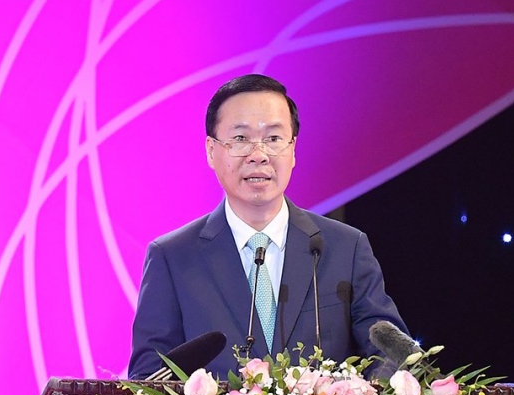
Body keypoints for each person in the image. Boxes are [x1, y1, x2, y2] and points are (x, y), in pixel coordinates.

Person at [128, 74, 407, 379]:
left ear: (293, 149)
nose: (258, 155)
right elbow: (148, 381)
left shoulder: (345, 248)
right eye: (240, 139)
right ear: (211, 150)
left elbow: (391, 358)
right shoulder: (172, 257)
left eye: (273, 139)